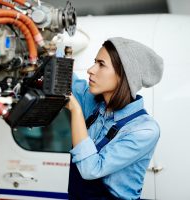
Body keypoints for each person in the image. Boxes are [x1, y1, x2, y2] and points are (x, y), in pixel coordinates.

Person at [66, 37, 164, 199]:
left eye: (101, 65)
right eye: (94, 62)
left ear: (124, 76)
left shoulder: (144, 130)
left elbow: (91, 169)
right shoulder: (94, 103)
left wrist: (75, 110)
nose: (91, 69)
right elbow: (66, 79)